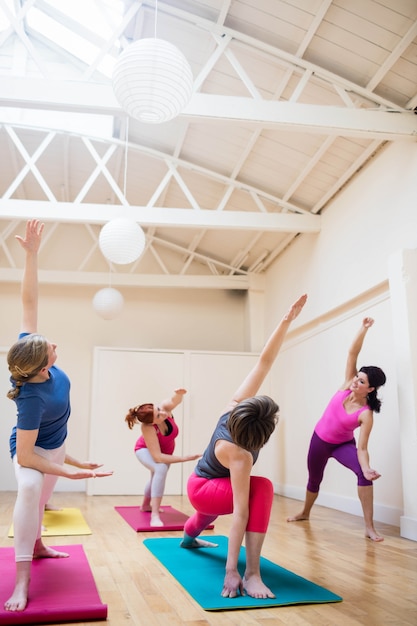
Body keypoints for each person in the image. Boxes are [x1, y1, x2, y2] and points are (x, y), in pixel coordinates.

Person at [5, 219, 113, 613]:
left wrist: (32, 256)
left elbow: (29, 303)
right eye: (47, 346)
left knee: (42, 500)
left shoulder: (28, 353)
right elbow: (28, 457)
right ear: (38, 366)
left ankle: (38, 545)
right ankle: (21, 584)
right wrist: (72, 472)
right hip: (33, 453)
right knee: (31, 490)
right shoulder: (31, 398)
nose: (51, 341)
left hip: (56, 446)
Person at [180, 294, 308, 600]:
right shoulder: (240, 455)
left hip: (203, 485)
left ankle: (188, 538)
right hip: (203, 489)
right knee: (260, 489)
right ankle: (253, 573)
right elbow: (239, 514)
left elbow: (265, 362)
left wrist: (286, 320)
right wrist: (231, 571)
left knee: (202, 518)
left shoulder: (234, 407)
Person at [287, 317, 386, 542]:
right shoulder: (346, 384)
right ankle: (305, 513)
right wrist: (364, 328)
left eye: (361, 382)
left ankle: (369, 528)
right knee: (314, 480)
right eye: (357, 378)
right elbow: (352, 353)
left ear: (370, 389)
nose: (355, 382)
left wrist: (368, 467)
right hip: (319, 441)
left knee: (364, 475)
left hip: (342, 445)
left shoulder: (366, 414)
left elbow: (362, 448)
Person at [125, 388, 201, 527]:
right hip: (144, 450)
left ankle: (145, 505)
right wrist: (185, 458)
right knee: (160, 469)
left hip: (165, 451)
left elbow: (173, 401)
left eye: (158, 409)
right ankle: (154, 515)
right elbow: (158, 457)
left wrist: (179, 394)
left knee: (156, 475)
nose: (163, 413)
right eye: (158, 416)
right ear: (152, 423)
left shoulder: (164, 408)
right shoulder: (147, 428)